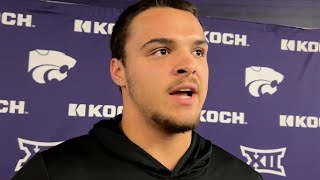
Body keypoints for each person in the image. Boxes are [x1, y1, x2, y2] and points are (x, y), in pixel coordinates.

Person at [13, 0, 263, 179]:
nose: (189, 65)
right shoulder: (52, 172)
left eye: (198, 52)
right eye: (162, 51)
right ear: (118, 71)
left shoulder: (242, 175)